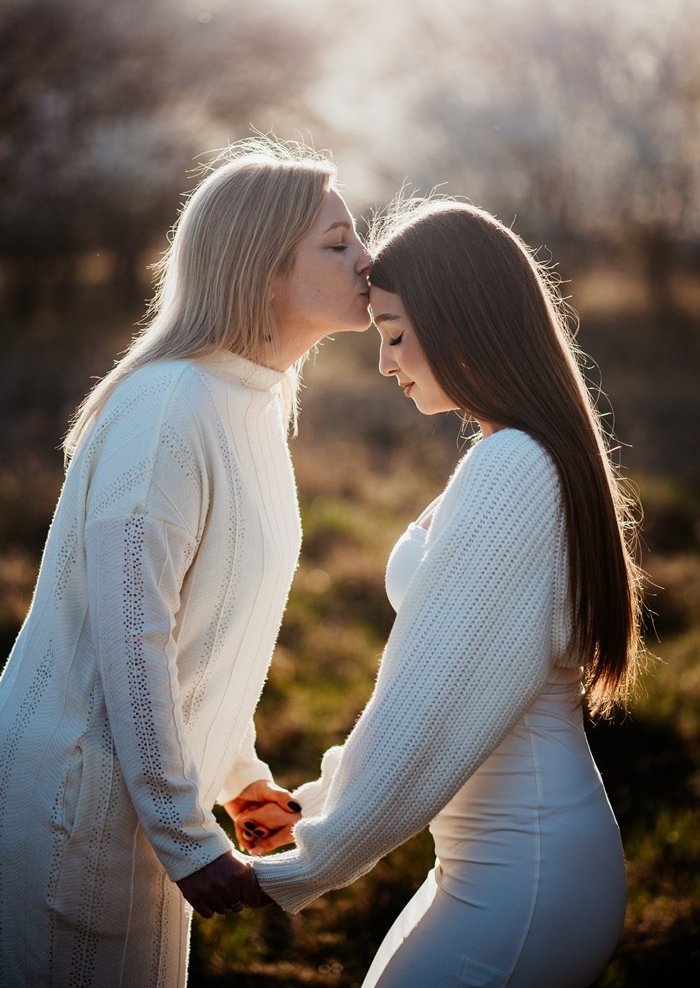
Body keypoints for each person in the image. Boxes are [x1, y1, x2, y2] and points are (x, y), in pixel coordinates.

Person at [243, 197, 646, 987]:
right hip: (493, 862)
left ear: (461, 322)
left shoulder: (512, 470)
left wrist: (301, 863)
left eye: (394, 335)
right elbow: (419, 695)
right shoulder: (515, 453)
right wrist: (313, 808)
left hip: (522, 873)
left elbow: (426, 710)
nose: (386, 364)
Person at [0, 137, 372, 987]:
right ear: (264, 268)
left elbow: (213, 634)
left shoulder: (252, 402)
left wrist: (236, 778)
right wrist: (184, 829)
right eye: (338, 241)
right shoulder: (170, 406)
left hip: (144, 812)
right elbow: (139, 637)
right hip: (76, 812)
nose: (367, 259)